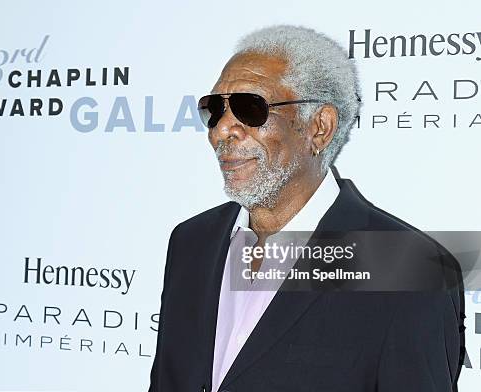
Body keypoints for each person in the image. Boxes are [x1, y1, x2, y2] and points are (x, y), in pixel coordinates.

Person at [148, 25, 465, 392]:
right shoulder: (192, 242)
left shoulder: (411, 270)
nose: (221, 131)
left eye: (250, 108)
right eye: (215, 109)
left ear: (320, 127)